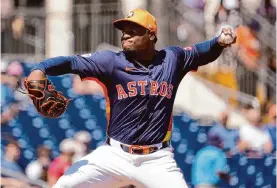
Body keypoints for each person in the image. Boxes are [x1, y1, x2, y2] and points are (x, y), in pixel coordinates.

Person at [26, 8, 236, 188]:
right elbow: (72, 62)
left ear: (151, 35)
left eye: (132, 31)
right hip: (113, 155)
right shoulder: (111, 62)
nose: (125, 35)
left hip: (156, 160)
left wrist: (219, 42)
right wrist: (40, 68)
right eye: (124, 32)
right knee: (63, 185)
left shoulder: (172, 59)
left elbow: (202, 52)